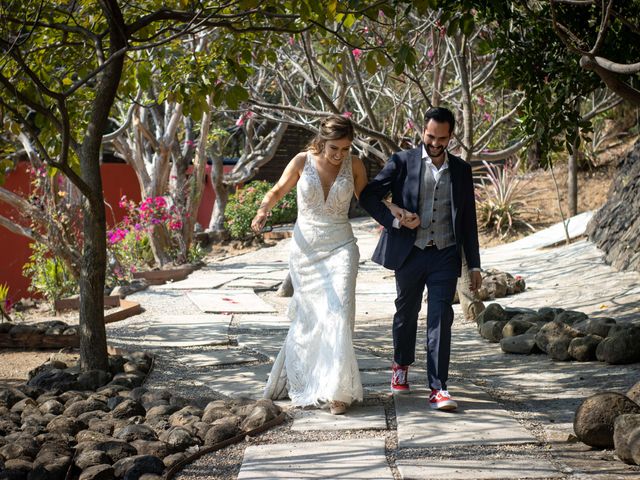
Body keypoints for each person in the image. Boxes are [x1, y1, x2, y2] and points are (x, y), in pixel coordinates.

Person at [359, 107, 482, 411]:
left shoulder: (462, 170)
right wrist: (396, 217)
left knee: (441, 317)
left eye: (442, 138)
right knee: (406, 312)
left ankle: (439, 388)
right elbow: (369, 195)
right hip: (410, 252)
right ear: (422, 132)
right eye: (430, 137)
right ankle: (401, 363)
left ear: (450, 136)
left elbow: (468, 220)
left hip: (445, 253)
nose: (435, 143)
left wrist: (474, 264)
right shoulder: (402, 162)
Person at [251, 114, 368, 415]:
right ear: (321, 140)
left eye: (345, 148)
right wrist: (264, 210)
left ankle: (338, 391)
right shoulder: (302, 161)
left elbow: (369, 200)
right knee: (311, 317)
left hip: (342, 245)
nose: (339, 155)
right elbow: (277, 190)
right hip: (306, 252)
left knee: (339, 311)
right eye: (334, 148)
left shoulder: (354, 165)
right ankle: (307, 380)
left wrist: (394, 210)